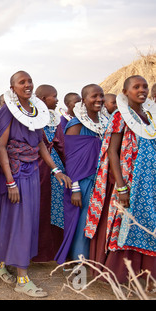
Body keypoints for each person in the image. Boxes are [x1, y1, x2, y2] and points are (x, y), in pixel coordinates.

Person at [0, 71, 71, 298]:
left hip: (32, 173)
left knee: (22, 220)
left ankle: (0, 265)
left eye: (29, 81)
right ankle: (22, 279)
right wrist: (10, 182)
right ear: (12, 87)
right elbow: (1, 147)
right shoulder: (8, 111)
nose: (27, 85)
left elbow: (41, 144)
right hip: (15, 174)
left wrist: (55, 170)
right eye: (21, 82)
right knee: (18, 221)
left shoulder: (36, 111)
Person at [86, 75, 155, 291]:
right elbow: (112, 153)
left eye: (144, 86)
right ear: (125, 92)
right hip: (129, 184)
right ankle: (122, 273)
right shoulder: (120, 117)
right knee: (126, 225)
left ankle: (145, 275)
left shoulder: (149, 116)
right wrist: (122, 186)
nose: (141, 90)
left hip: (148, 184)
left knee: (146, 224)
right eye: (136, 87)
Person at [54, 84, 108, 265]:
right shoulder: (76, 124)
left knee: (97, 222)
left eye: (101, 96)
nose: (99, 99)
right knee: (82, 223)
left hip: (101, 181)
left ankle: (93, 261)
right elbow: (70, 160)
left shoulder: (105, 123)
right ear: (84, 100)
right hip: (82, 183)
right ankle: (79, 263)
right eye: (94, 96)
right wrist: (75, 188)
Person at [32, 84, 65, 262]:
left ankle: (52, 251)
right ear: (44, 99)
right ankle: (37, 252)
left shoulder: (54, 118)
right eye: (54, 96)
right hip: (37, 167)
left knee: (55, 208)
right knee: (39, 208)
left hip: (54, 168)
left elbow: (61, 144)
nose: (57, 99)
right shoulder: (31, 117)